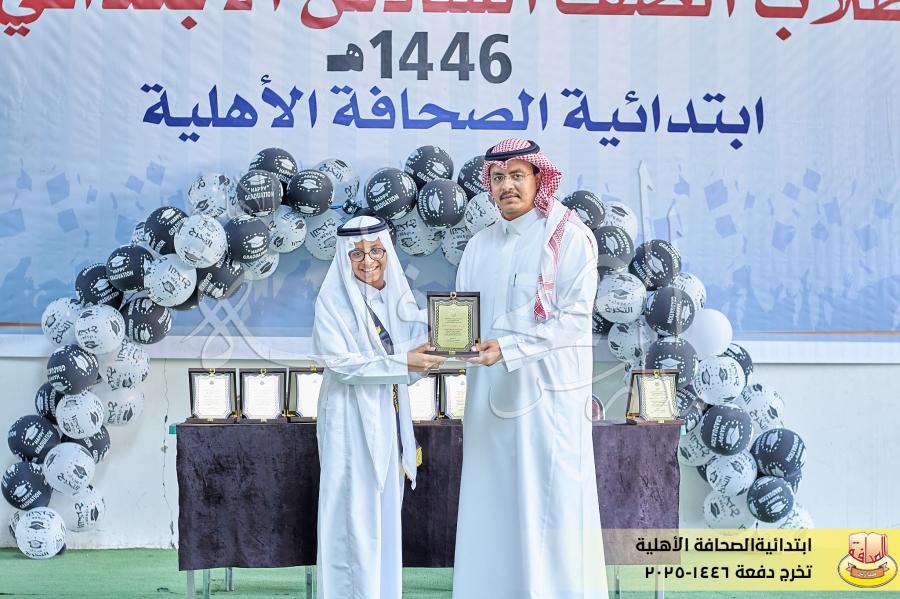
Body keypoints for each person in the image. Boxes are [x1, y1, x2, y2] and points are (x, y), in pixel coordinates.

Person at [452, 139, 608, 598]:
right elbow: (461, 319)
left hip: (548, 404)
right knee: (491, 508)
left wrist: (509, 348)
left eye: (517, 175)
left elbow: (574, 320)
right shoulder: (479, 245)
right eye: (498, 178)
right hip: (488, 404)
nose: (507, 186)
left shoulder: (569, 237)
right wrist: (446, 346)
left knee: (550, 510)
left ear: (540, 178)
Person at [312, 214, 445, 599]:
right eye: (357, 254)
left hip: (389, 418)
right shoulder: (333, 301)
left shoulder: (397, 299)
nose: (368, 260)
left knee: (384, 516)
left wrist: (427, 360)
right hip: (349, 421)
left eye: (376, 251)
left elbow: (405, 366)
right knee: (352, 518)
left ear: (387, 252)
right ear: (344, 258)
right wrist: (405, 362)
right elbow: (342, 365)